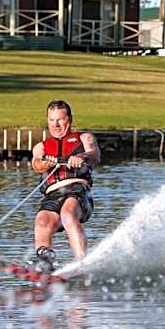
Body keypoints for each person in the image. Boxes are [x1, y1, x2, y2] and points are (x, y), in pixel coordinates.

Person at [29, 99, 100, 272]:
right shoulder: (42, 147)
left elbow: (95, 155)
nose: (56, 124)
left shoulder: (84, 138)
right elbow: (36, 164)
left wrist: (82, 157)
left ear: (70, 119)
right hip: (53, 194)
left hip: (78, 192)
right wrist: (45, 163)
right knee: (42, 221)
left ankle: (81, 263)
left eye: (60, 119)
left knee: (68, 213)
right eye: (52, 120)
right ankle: (45, 263)